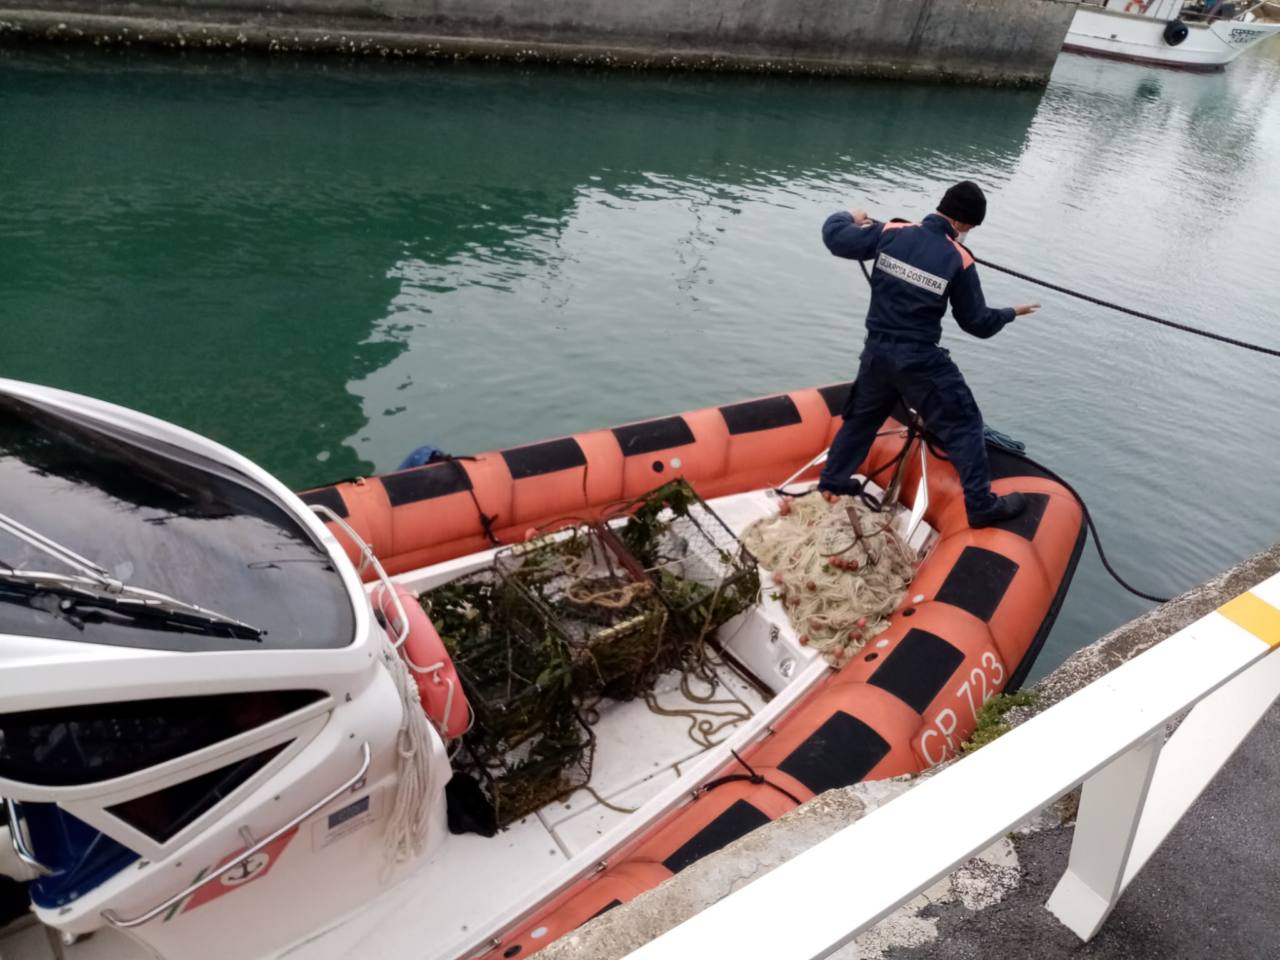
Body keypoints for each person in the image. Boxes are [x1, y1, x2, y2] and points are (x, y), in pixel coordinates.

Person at [817, 180, 1040, 528]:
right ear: (965, 224)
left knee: (862, 418)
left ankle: (832, 481)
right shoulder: (959, 258)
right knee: (965, 423)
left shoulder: (891, 231)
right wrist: (1011, 312)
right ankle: (980, 504)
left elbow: (835, 237)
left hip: (877, 352)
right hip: (918, 359)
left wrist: (850, 215)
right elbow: (976, 323)